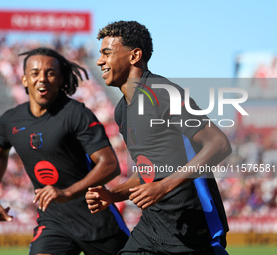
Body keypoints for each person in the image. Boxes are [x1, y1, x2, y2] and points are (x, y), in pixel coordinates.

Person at [86, 21, 232, 255]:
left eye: (107, 53)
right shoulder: (122, 110)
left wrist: (163, 187)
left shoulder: (164, 93)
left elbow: (219, 144)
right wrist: (113, 194)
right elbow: (148, 171)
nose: (99, 61)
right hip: (152, 228)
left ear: (135, 55)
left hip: (192, 228)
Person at [0, 47, 129, 255]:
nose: (42, 79)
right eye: (35, 73)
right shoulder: (10, 121)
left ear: (61, 79)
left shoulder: (76, 114)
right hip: (53, 222)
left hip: (97, 219)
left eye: (50, 73)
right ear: (24, 80)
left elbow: (110, 164)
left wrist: (67, 192)